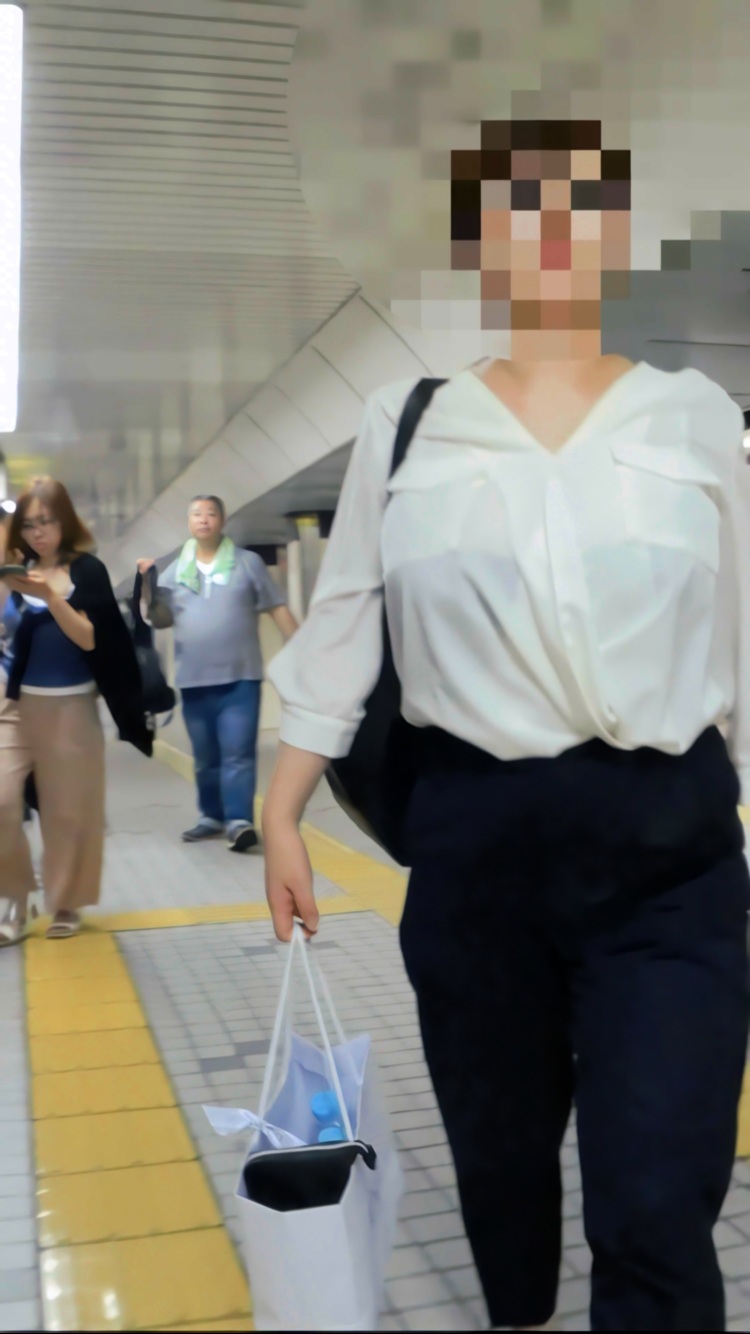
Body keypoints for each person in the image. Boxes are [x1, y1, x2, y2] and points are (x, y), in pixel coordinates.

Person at [261, 117, 750, 1332]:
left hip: (669, 854)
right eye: (521, 208)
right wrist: (280, 810)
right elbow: (348, 616)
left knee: (658, 1197)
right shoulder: (408, 418)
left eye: (581, 205)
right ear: (480, 244)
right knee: (502, 1162)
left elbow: (743, 625)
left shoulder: (693, 414)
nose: (553, 232)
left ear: (618, 235)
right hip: (477, 851)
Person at [0, 477, 151, 945]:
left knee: (66, 812)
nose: (38, 533)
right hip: (15, 707)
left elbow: (89, 638)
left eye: (46, 522)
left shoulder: (87, 570)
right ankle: (14, 896)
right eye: (29, 525)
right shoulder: (13, 572)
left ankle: (64, 902)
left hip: (70, 708)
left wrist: (49, 596)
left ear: (64, 521)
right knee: (2, 800)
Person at [138, 495, 298, 852]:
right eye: (197, 514)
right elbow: (159, 619)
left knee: (238, 752)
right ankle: (211, 816)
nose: (204, 519)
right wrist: (147, 585)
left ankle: (239, 821)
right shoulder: (175, 570)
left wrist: (303, 650)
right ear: (189, 522)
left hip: (241, 677)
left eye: (211, 513)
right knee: (206, 757)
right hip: (194, 679)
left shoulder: (248, 563)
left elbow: (276, 606)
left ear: (222, 520)